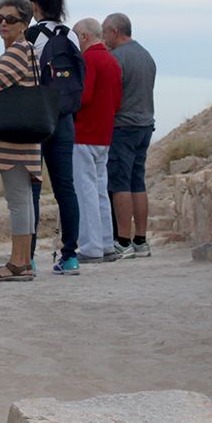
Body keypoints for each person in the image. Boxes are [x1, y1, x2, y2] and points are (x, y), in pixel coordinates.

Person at [0, 0, 44, 281]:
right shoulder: (28, 51)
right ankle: (24, 260)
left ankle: (18, 261)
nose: (2, 23)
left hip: (11, 141)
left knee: (17, 200)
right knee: (24, 200)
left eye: (10, 19)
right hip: (24, 138)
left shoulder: (16, 52)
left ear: (24, 22)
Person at [26, 0, 84, 275]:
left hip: (37, 118)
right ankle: (70, 255)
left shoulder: (31, 36)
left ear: (35, 5)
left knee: (32, 190)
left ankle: (29, 256)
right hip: (64, 118)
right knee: (66, 189)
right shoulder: (70, 35)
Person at [104, 12, 156, 258]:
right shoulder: (146, 56)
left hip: (122, 127)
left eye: (105, 32)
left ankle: (123, 240)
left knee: (119, 183)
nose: (103, 37)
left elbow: (111, 97)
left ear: (115, 31)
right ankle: (141, 240)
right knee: (138, 181)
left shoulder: (116, 58)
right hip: (145, 125)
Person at [72, 17, 122, 262]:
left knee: (85, 190)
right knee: (100, 189)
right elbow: (116, 101)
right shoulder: (112, 61)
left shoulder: (89, 60)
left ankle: (91, 247)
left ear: (84, 37)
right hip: (104, 134)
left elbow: (84, 96)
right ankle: (105, 242)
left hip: (84, 133)